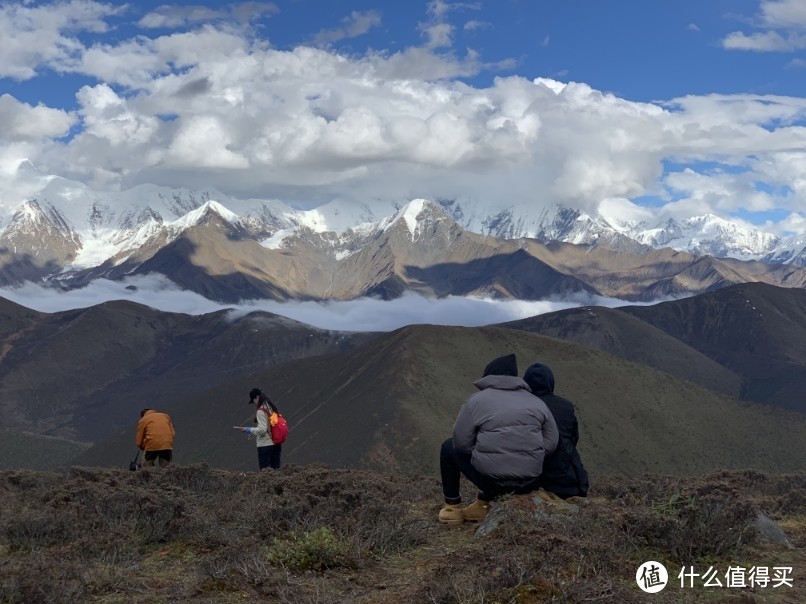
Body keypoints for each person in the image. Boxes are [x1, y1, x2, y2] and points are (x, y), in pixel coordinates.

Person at [438, 353, 559, 525]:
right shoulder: (537, 402)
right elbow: (551, 443)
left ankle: (452, 509)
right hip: (530, 483)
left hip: (493, 484)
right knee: (494, 452)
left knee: (448, 447)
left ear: (488, 377)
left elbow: (461, 444)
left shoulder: (475, 402)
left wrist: (484, 453)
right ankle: (482, 504)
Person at [523, 362, 589, 498]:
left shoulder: (520, 407)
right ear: (550, 382)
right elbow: (573, 438)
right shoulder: (566, 407)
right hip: (566, 483)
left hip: (530, 482)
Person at [235, 387, 282, 470]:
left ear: (257, 397)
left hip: (265, 445)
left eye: (253, 400)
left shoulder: (261, 411)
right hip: (276, 443)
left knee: (265, 473)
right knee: (276, 471)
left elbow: (262, 430)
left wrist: (248, 429)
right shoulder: (271, 407)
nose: (254, 403)